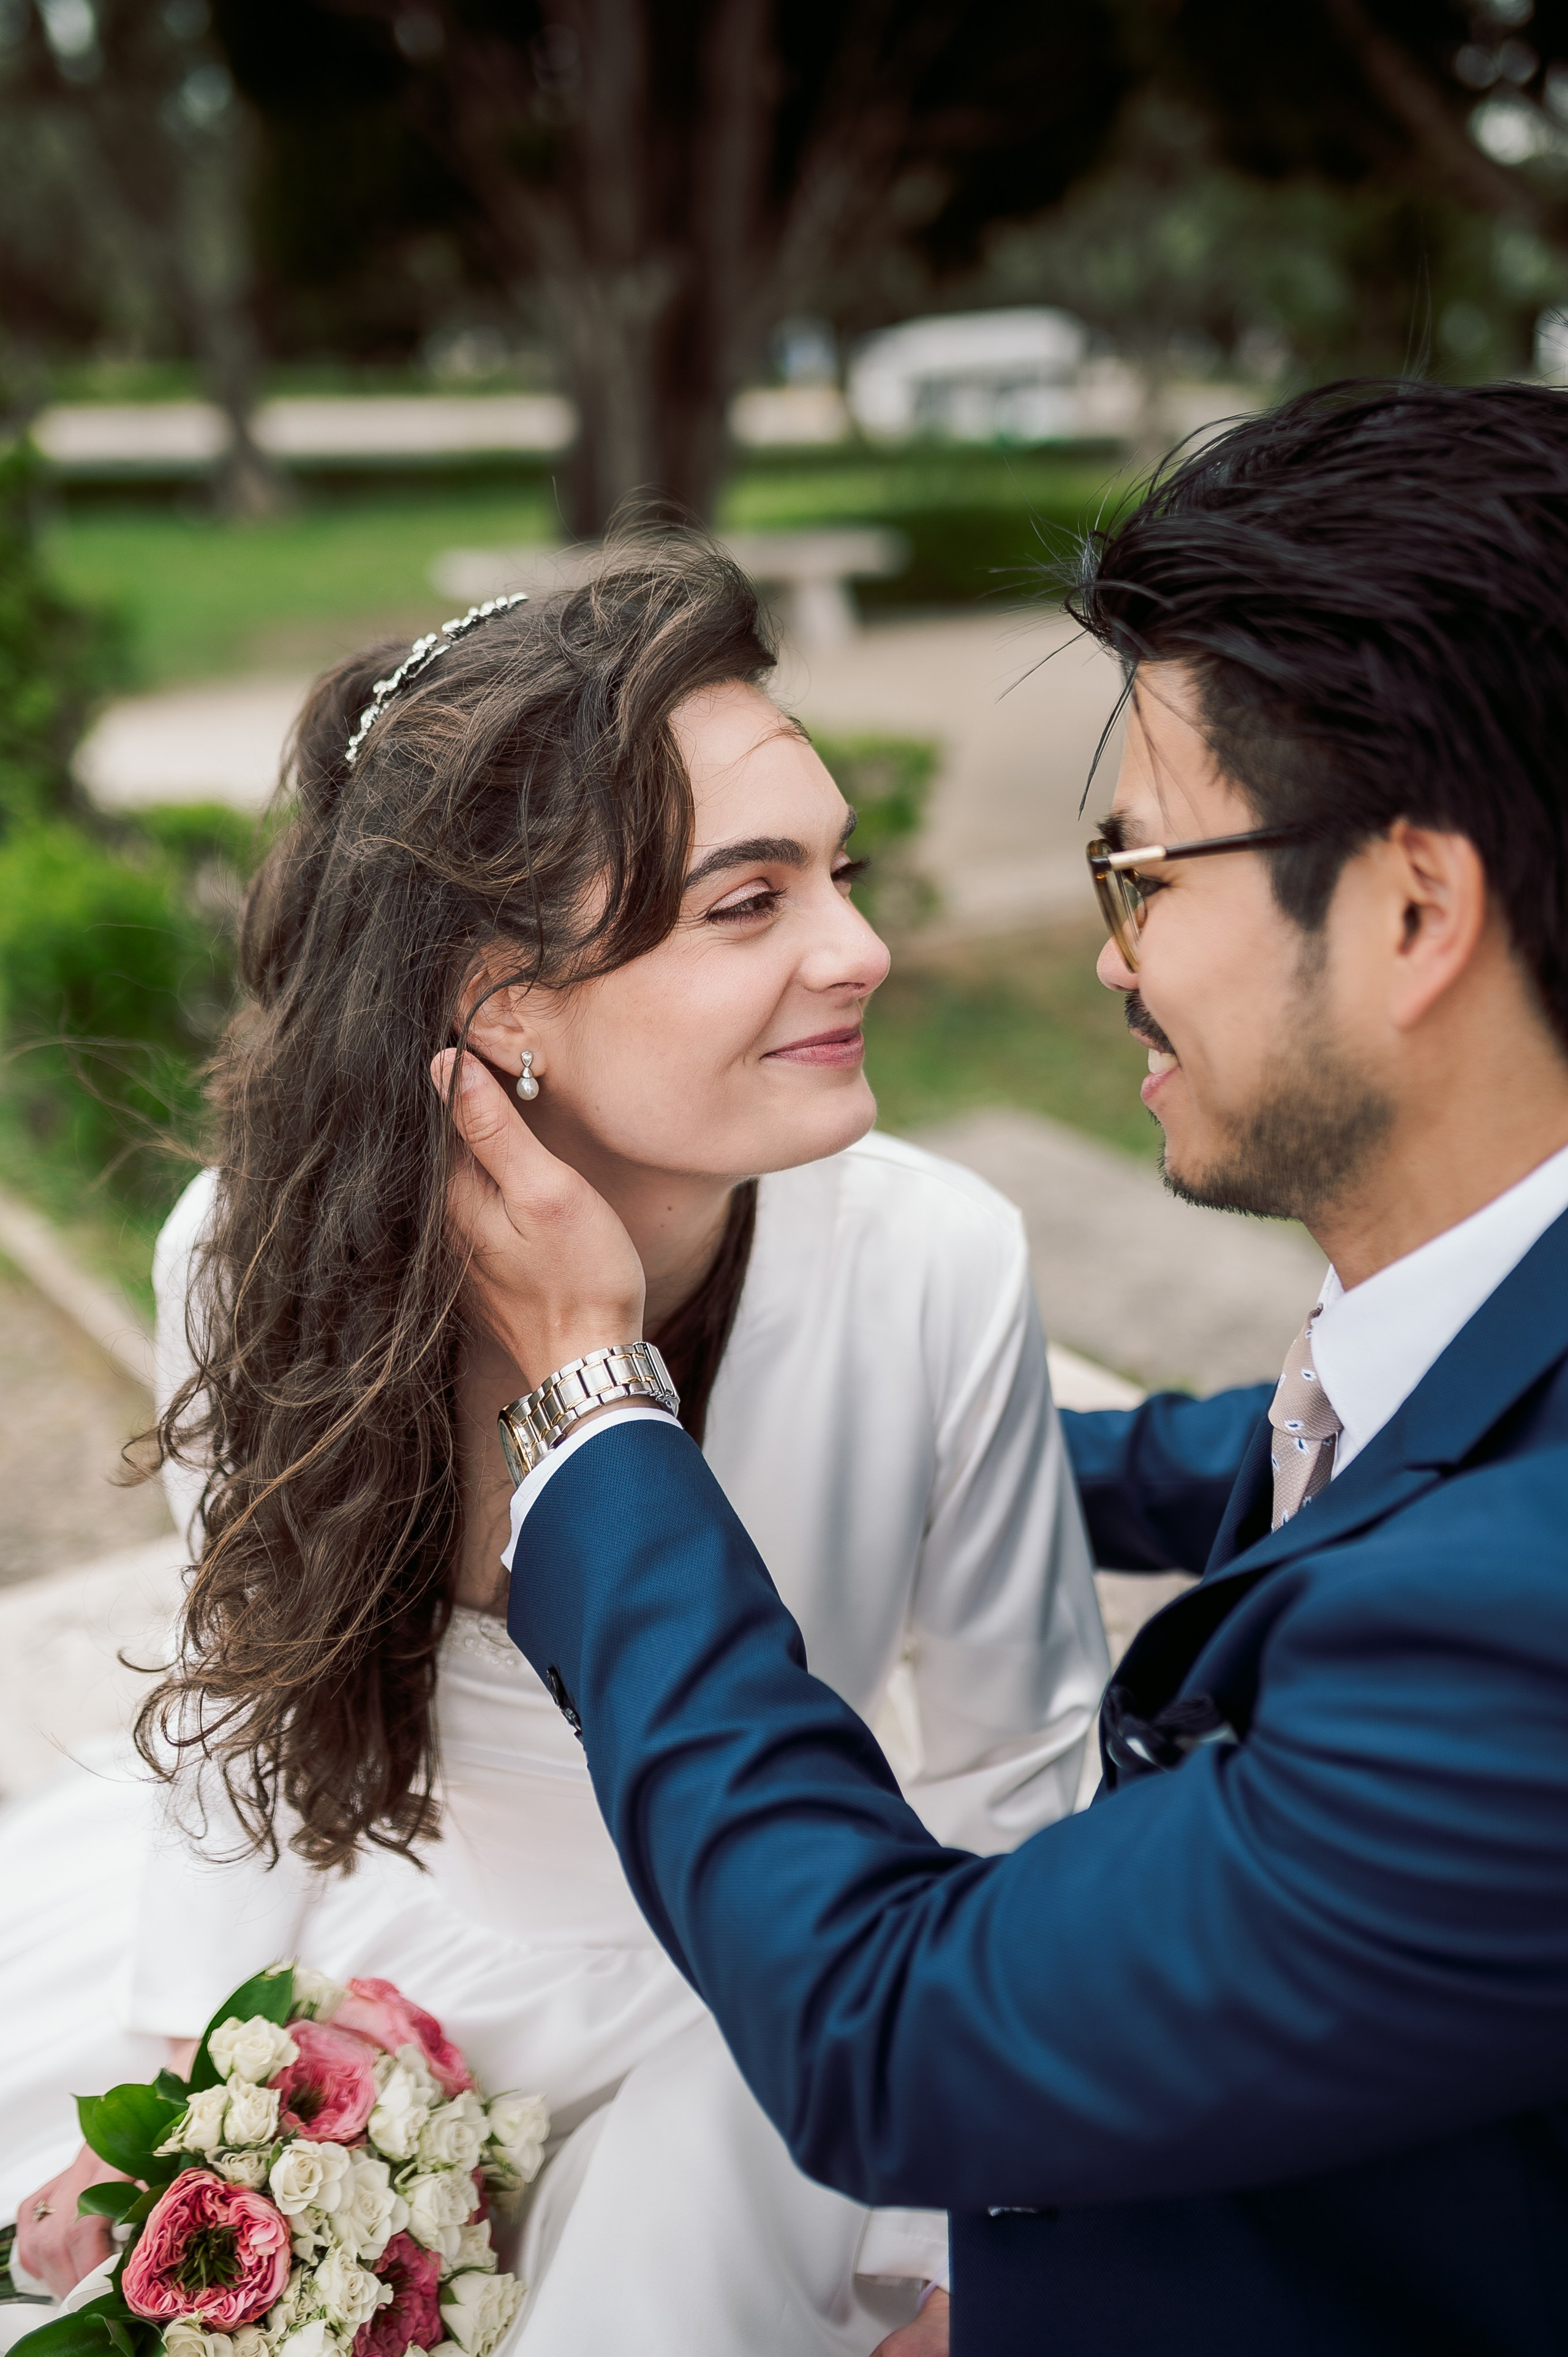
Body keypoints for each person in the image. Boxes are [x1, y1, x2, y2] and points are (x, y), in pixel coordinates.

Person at [442, 381, 1568, 2357]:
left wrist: (592, 1408)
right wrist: (888, 1413)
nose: (1110, 958)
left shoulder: (1516, 1639)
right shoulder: (1495, 1359)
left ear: (1415, 907)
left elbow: (889, 2031)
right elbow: (1311, 1456)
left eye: (1146, 873)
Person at [3, 538, 1110, 2355]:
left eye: (839, 873)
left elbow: (1019, 1785)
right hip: (387, 1975)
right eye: (748, 904)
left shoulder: (937, 1264)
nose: (861, 949)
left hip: (765, 2034)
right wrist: (195, 2083)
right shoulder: (245, 1257)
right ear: (500, 996)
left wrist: (973, 2241)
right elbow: (243, 1706)